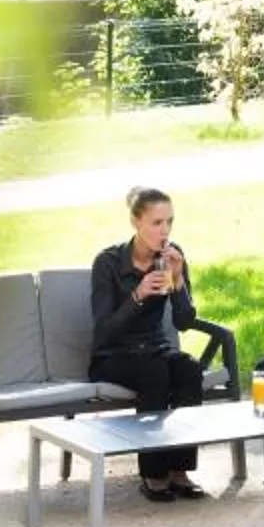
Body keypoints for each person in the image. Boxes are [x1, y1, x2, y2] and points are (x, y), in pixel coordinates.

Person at [91, 186, 207, 502]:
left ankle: (179, 471)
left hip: (155, 349)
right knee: (155, 373)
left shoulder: (170, 256)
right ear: (136, 222)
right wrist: (137, 295)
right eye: (157, 223)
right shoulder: (108, 263)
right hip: (113, 356)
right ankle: (154, 474)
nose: (165, 230)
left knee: (189, 370)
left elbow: (183, 322)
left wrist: (180, 279)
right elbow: (104, 332)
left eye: (169, 222)